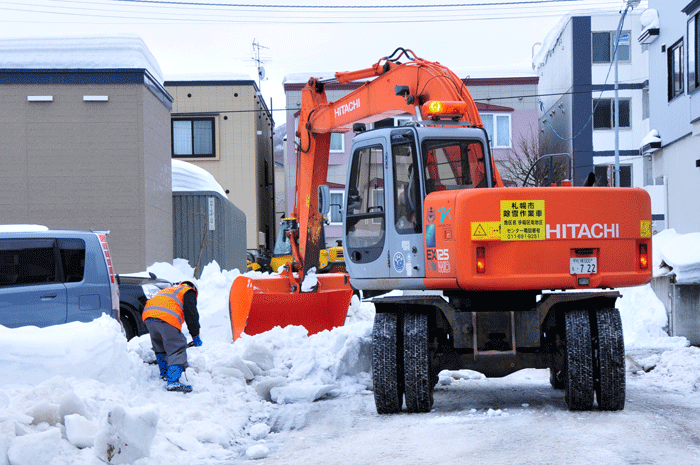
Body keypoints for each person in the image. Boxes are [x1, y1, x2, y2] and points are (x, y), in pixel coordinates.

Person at [142, 280, 202, 393]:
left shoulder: (169, 290)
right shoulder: (188, 291)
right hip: (165, 317)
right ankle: (173, 381)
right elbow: (191, 314)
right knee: (177, 346)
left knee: (159, 345)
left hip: (148, 316)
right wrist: (195, 335)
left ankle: (165, 373)